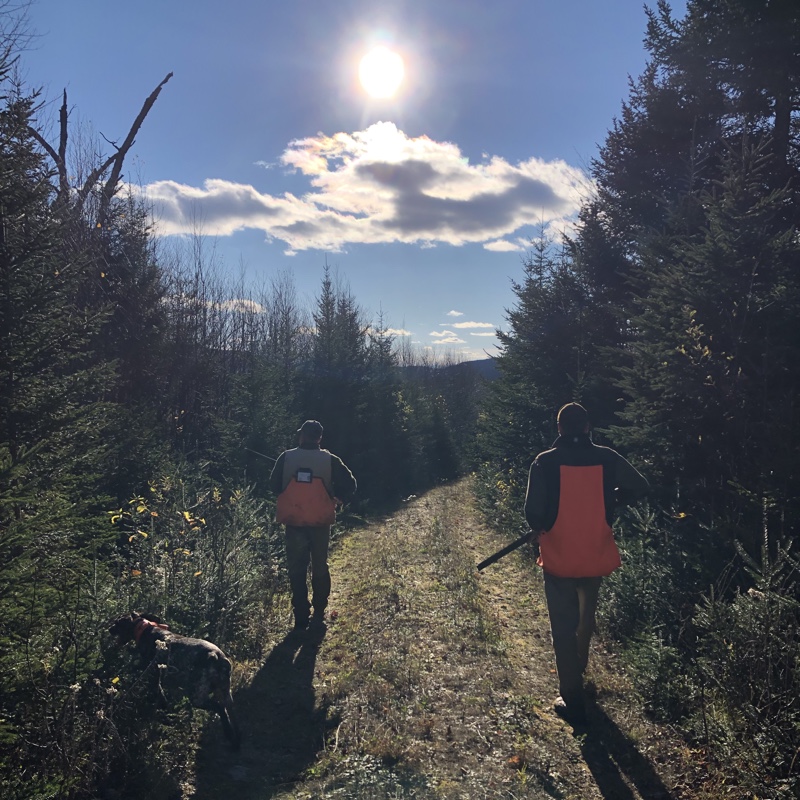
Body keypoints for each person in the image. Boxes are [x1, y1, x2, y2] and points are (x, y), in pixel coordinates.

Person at [524, 402, 648, 726]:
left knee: (563, 628)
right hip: (595, 552)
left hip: (559, 555)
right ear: (588, 427)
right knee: (585, 618)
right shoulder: (607, 457)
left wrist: (540, 527)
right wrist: (611, 500)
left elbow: (533, 512)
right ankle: (579, 671)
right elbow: (641, 486)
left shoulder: (545, 462)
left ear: (560, 428)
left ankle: (571, 697)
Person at [270, 420, 357, 631]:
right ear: (319, 438)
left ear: (302, 436)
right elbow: (350, 484)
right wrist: (338, 498)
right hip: (320, 521)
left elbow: (273, 486)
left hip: (294, 521)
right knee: (319, 566)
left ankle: (301, 616)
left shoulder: (286, 457)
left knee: (297, 568)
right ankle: (319, 612)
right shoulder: (330, 459)